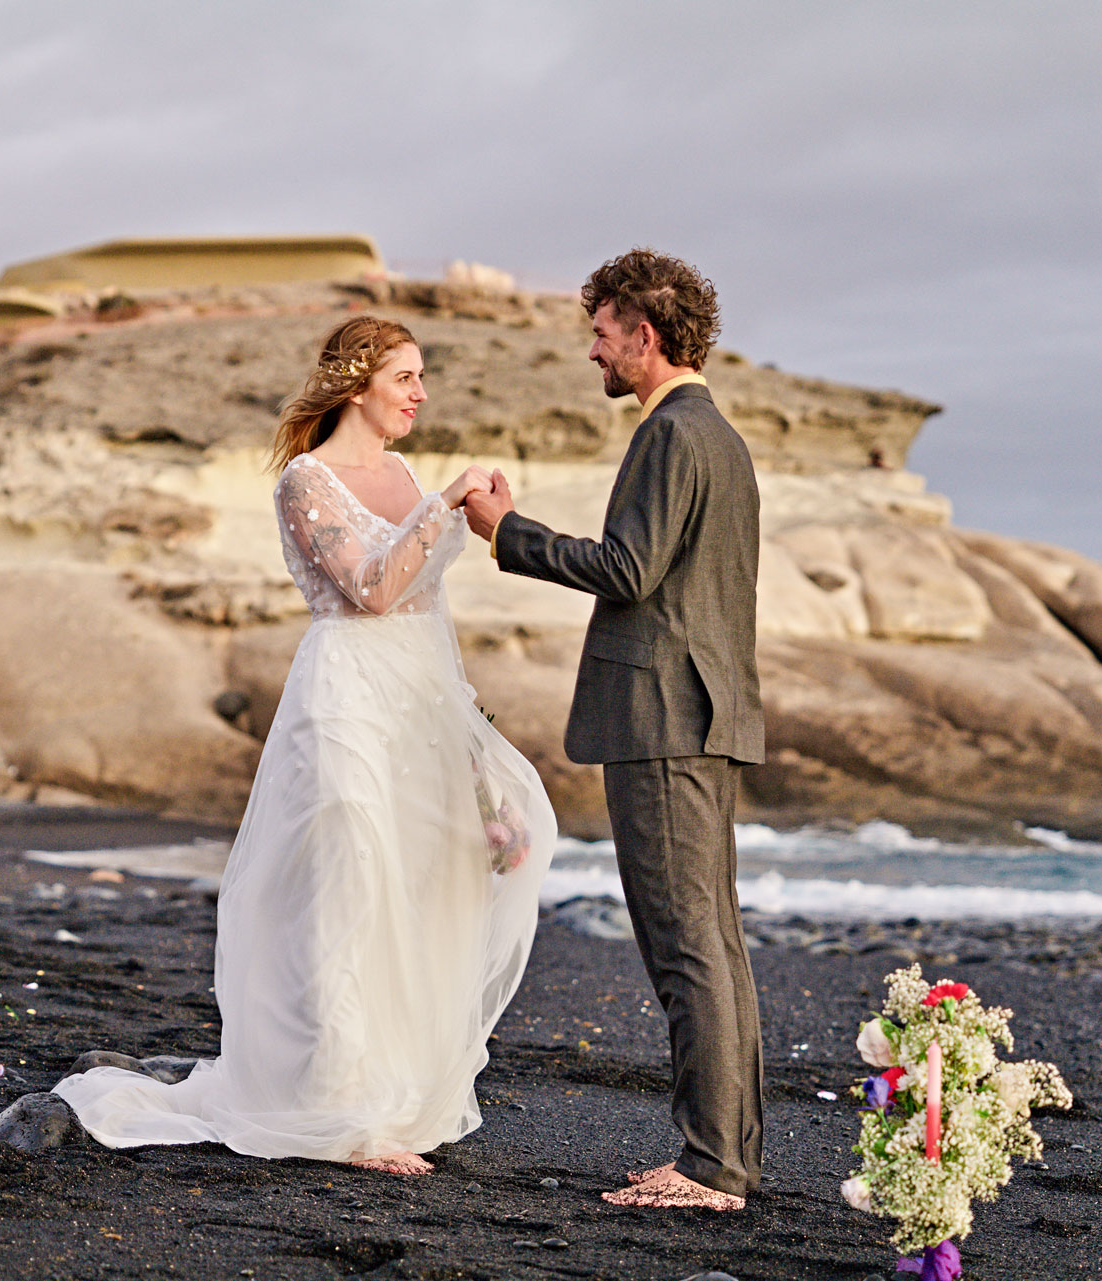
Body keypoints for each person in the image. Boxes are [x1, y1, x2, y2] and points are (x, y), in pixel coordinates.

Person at [55, 316, 557, 1175]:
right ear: (359, 381)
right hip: (345, 702)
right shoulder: (306, 480)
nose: (420, 393)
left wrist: (473, 756)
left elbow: (429, 616)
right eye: (407, 376)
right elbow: (369, 587)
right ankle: (345, 1110)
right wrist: (447, 502)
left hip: (420, 707)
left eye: (422, 377)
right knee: (348, 890)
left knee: (432, 882)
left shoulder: (401, 470)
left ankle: (393, 1088)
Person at [464, 249, 765, 1211]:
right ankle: (727, 1157)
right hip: (704, 715)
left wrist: (507, 529)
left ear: (646, 336)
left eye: (602, 333)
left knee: (686, 944)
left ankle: (713, 1168)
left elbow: (629, 570)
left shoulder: (673, 434)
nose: (591, 350)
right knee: (714, 940)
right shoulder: (718, 436)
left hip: (666, 719)